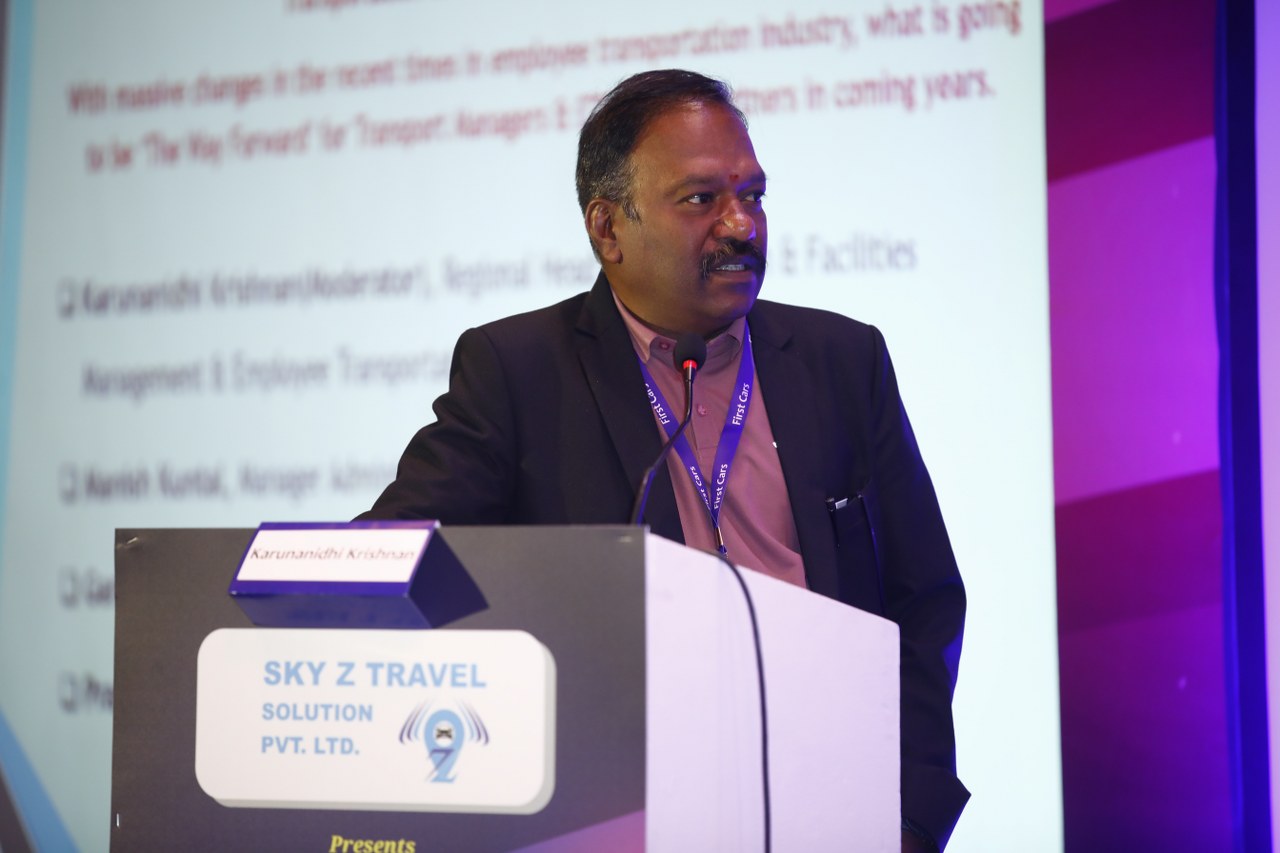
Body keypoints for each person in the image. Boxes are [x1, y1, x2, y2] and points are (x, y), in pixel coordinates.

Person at [360, 69, 968, 851]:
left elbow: (923, 600)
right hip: (622, 815)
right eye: (701, 199)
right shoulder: (519, 371)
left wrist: (910, 818)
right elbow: (396, 554)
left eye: (753, 195)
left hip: (830, 804)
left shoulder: (842, 360)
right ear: (607, 228)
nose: (741, 225)